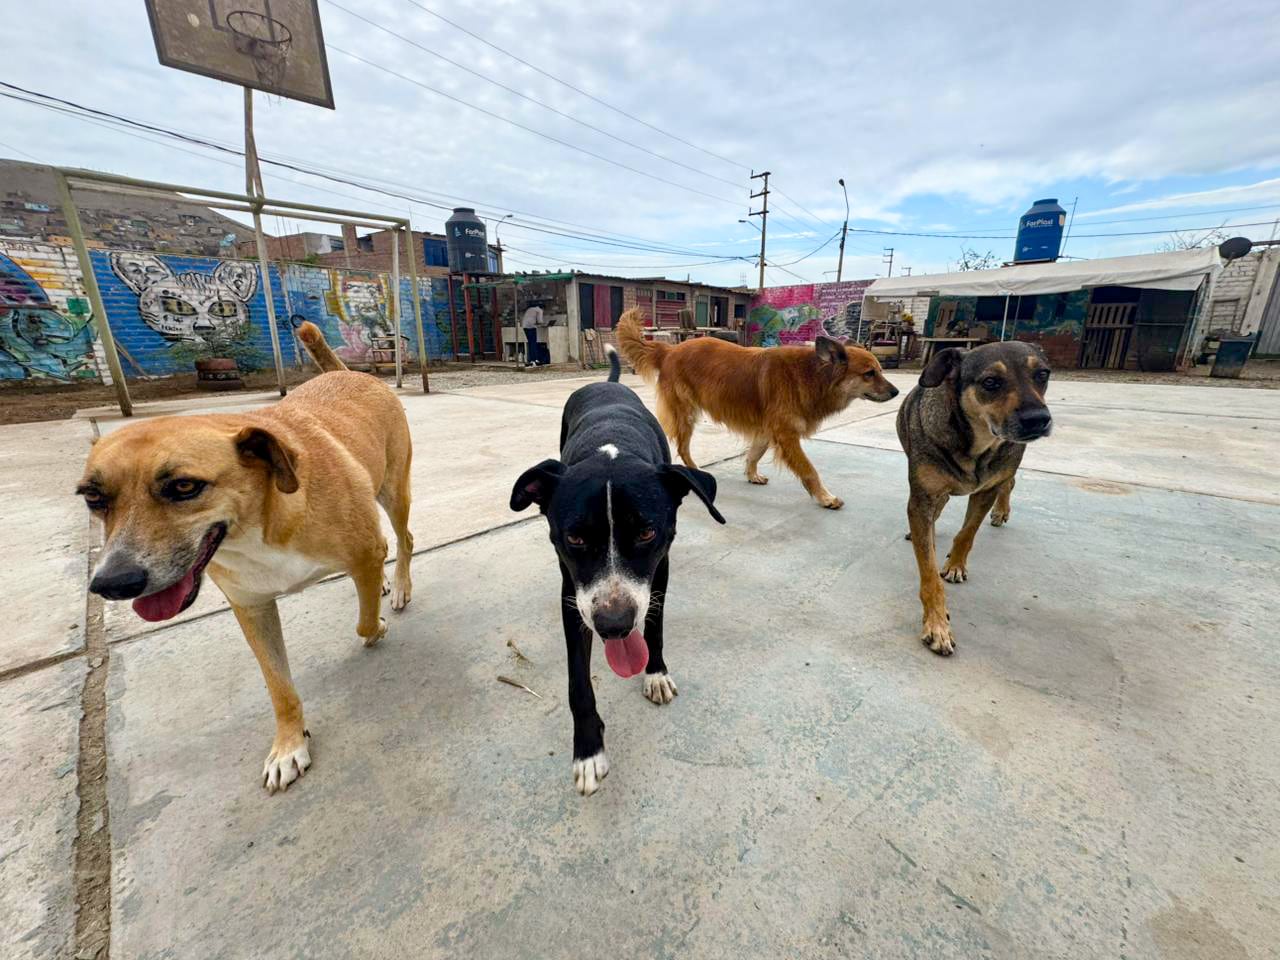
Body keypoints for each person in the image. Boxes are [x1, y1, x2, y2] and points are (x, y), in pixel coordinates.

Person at [521, 300, 544, 366]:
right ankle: (535, 360)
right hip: (531, 327)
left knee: (530, 343)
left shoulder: (530, 309)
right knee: (533, 343)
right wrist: (542, 323)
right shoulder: (539, 310)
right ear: (542, 308)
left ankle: (532, 360)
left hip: (525, 326)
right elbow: (540, 321)